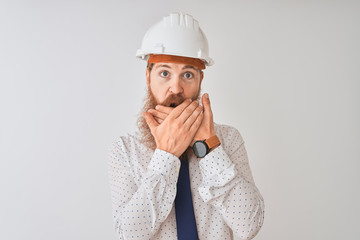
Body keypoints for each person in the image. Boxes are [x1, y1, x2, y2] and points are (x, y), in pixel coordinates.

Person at [108, 12, 265, 240]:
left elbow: (249, 225)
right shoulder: (124, 149)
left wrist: (209, 148)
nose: (176, 88)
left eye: (188, 74)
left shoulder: (228, 139)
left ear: (201, 80)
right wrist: (167, 154)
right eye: (164, 73)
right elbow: (128, 235)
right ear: (147, 77)